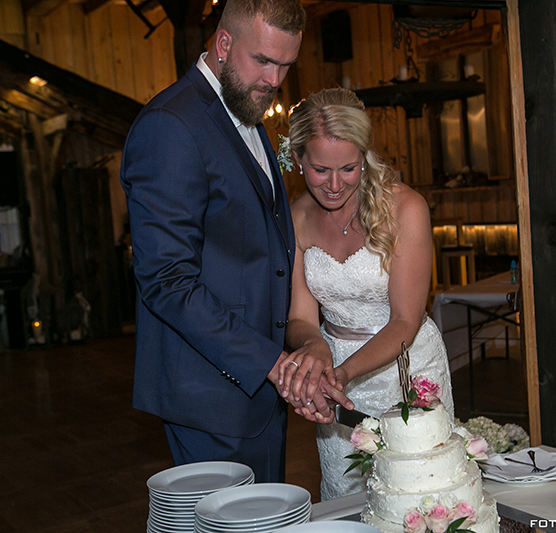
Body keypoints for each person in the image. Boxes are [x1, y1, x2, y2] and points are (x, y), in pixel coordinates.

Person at [120, 0, 349, 484]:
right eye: (263, 60)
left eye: (285, 65)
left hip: (257, 394)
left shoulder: (243, 112)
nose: (274, 79)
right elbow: (166, 280)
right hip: (211, 396)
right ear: (223, 44)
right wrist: (271, 363)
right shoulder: (172, 125)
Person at [278, 87, 455, 499]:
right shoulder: (296, 217)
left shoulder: (405, 209)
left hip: (405, 368)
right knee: (347, 495)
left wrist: (341, 374)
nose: (336, 185)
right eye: (321, 170)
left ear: (363, 156)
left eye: (349, 168)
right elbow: (301, 317)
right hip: (335, 372)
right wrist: (315, 349)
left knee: (417, 497)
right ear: (298, 159)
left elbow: (405, 320)